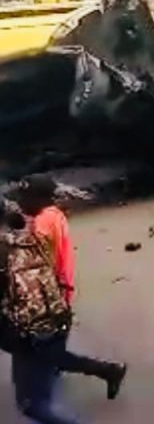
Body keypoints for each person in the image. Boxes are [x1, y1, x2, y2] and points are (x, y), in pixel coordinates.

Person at [0, 199, 119, 424]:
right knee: (39, 390)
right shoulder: (27, 235)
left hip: (31, 333)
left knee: (32, 403)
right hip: (54, 320)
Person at [13, 175, 127, 410]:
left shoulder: (42, 223)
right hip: (60, 288)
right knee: (47, 355)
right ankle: (47, 407)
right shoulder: (54, 214)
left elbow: (28, 256)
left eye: (26, 198)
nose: (21, 203)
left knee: (47, 354)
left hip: (49, 295)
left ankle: (107, 372)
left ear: (40, 199)